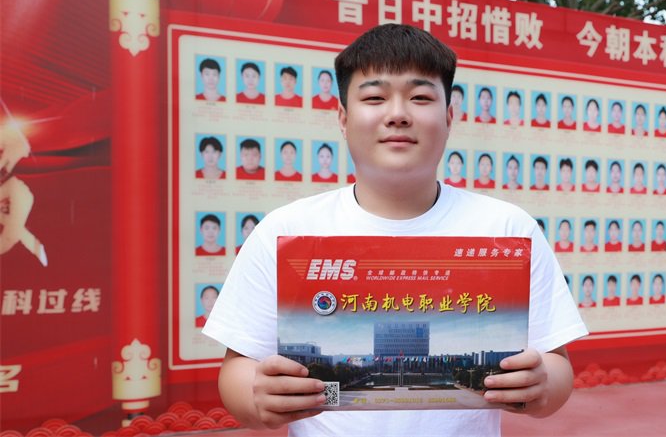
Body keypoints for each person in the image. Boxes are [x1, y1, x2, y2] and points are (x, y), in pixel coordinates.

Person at [204, 25, 587, 435]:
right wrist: (257, 396)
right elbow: (237, 369)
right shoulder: (285, 231)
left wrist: (540, 385)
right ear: (343, 118)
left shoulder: (507, 230)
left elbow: (557, 365)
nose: (398, 114)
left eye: (420, 97)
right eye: (375, 97)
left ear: (449, 117)